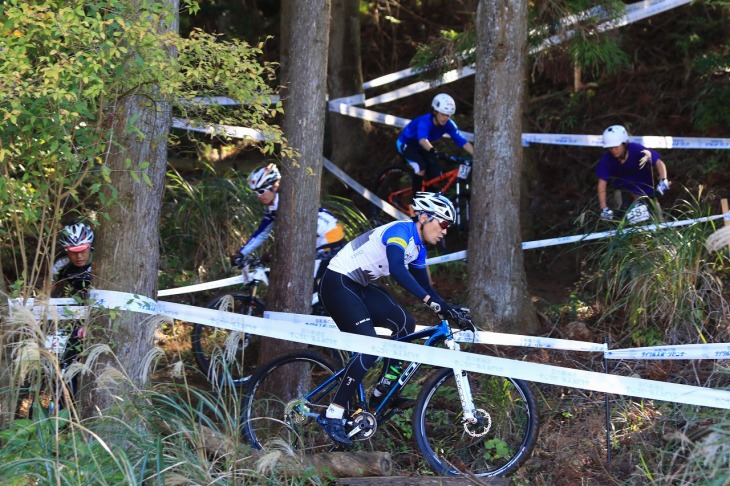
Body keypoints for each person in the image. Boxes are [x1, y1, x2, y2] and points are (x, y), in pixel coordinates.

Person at [316, 192, 466, 446]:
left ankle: (381, 392)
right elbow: (397, 268)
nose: (444, 231)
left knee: (404, 325)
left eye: (448, 227)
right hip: (338, 283)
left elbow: (424, 285)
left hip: (359, 285)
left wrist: (447, 308)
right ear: (424, 217)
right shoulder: (401, 231)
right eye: (442, 224)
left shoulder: (418, 248)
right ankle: (334, 412)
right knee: (370, 346)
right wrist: (432, 302)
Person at [230, 163, 347, 286]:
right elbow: (262, 233)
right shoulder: (273, 207)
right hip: (316, 239)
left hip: (330, 237)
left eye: (261, 191)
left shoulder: (288, 202)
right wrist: (241, 253)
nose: (258, 196)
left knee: (302, 276)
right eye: (255, 192)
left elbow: (296, 235)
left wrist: (275, 252)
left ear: (275, 186)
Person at [396, 93, 474, 198]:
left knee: (437, 177)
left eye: (448, 115)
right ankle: (416, 202)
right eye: (442, 114)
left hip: (422, 147)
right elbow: (423, 140)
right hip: (406, 143)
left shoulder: (449, 125)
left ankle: (427, 202)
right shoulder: (425, 122)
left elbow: (462, 141)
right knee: (420, 167)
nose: (445, 118)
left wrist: (477, 156)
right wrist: (434, 151)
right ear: (435, 112)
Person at [597, 125, 671, 222]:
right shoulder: (606, 159)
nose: (613, 150)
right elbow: (602, 184)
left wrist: (663, 180)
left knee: (658, 222)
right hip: (624, 194)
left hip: (647, 192)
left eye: (616, 146)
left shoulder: (636, 149)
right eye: (610, 148)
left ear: (624, 144)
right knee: (621, 220)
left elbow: (659, 163)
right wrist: (604, 208)